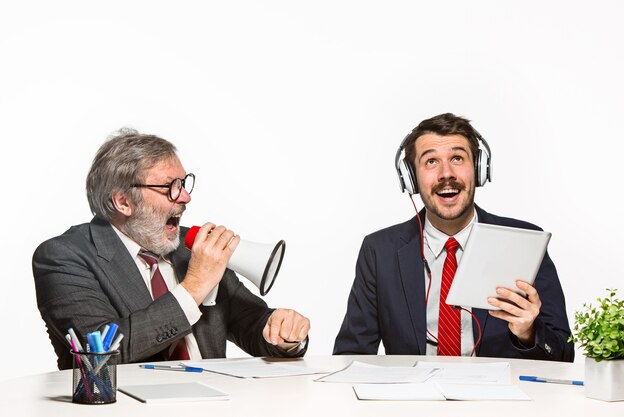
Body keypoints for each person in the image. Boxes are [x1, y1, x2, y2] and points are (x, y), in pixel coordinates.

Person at [33, 128, 310, 370]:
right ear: (123, 202)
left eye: (184, 183)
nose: (186, 197)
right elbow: (100, 356)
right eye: (170, 187)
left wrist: (283, 333)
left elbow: (250, 322)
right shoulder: (62, 258)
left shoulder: (192, 247)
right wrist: (194, 289)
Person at [334, 113, 574, 361]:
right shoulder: (379, 251)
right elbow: (351, 356)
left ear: (479, 169)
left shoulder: (524, 241)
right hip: (411, 398)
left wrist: (528, 332)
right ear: (411, 178)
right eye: (430, 162)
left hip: (497, 399)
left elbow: (564, 355)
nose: (446, 173)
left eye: (458, 158)